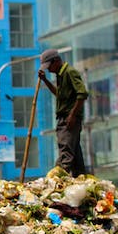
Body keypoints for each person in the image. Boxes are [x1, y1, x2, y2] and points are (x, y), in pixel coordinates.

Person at [38, 48, 89, 177]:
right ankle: (80, 179)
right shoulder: (60, 75)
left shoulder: (70, 72)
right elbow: (59, 94)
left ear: (56, 61)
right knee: (76, 156)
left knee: (65, 154)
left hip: (68, 118)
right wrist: (45, 80)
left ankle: (57, 181)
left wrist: (72, 115)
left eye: (49, 66)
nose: (49, 70)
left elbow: (82, 94)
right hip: (64, 118)